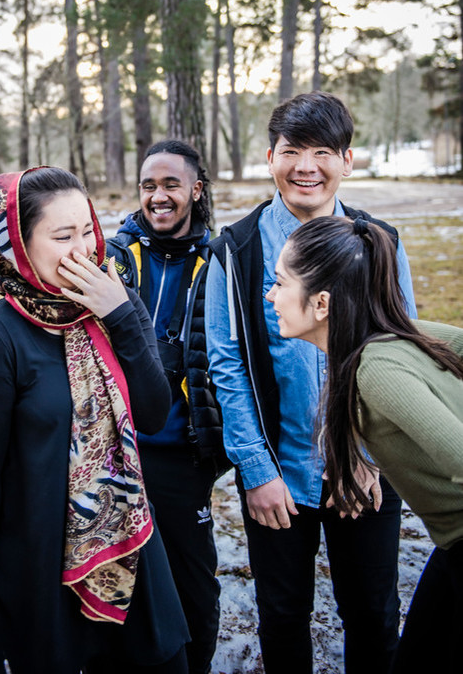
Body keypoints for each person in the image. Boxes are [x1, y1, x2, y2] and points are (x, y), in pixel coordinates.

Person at [205, 91, 417, 673]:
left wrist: (368, 455)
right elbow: (227, 364)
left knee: (374, 615)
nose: (306, 166)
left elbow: (402, 355)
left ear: (347, 161)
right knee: (282, 613)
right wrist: (257, 469)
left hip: (366, 472)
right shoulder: (236, 249)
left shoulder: (381, 243)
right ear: (270, 156)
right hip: (279, 476)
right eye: (292, 150)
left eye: (323, 151)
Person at [0, 166, 190, 674]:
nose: (84, 249)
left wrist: (120, 315)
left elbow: (152, 414)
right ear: (15, 245)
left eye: (87, 229)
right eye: (62, 236)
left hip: (130, 544)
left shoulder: (115, 301)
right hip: (38, 566)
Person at [267, 214, 463, 673]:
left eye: (279, 283)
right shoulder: (396, 335)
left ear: (320, 304)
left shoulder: (375, 368)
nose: (271, 296)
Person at [105, 140, 228, 674]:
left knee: (193, 590)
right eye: (148, 186)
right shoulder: (110, 259)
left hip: (182, 456)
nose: (158, 196)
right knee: (117, 586)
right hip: (117, 452)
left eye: (171, 184)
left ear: (195, 190)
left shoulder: (223, 260)